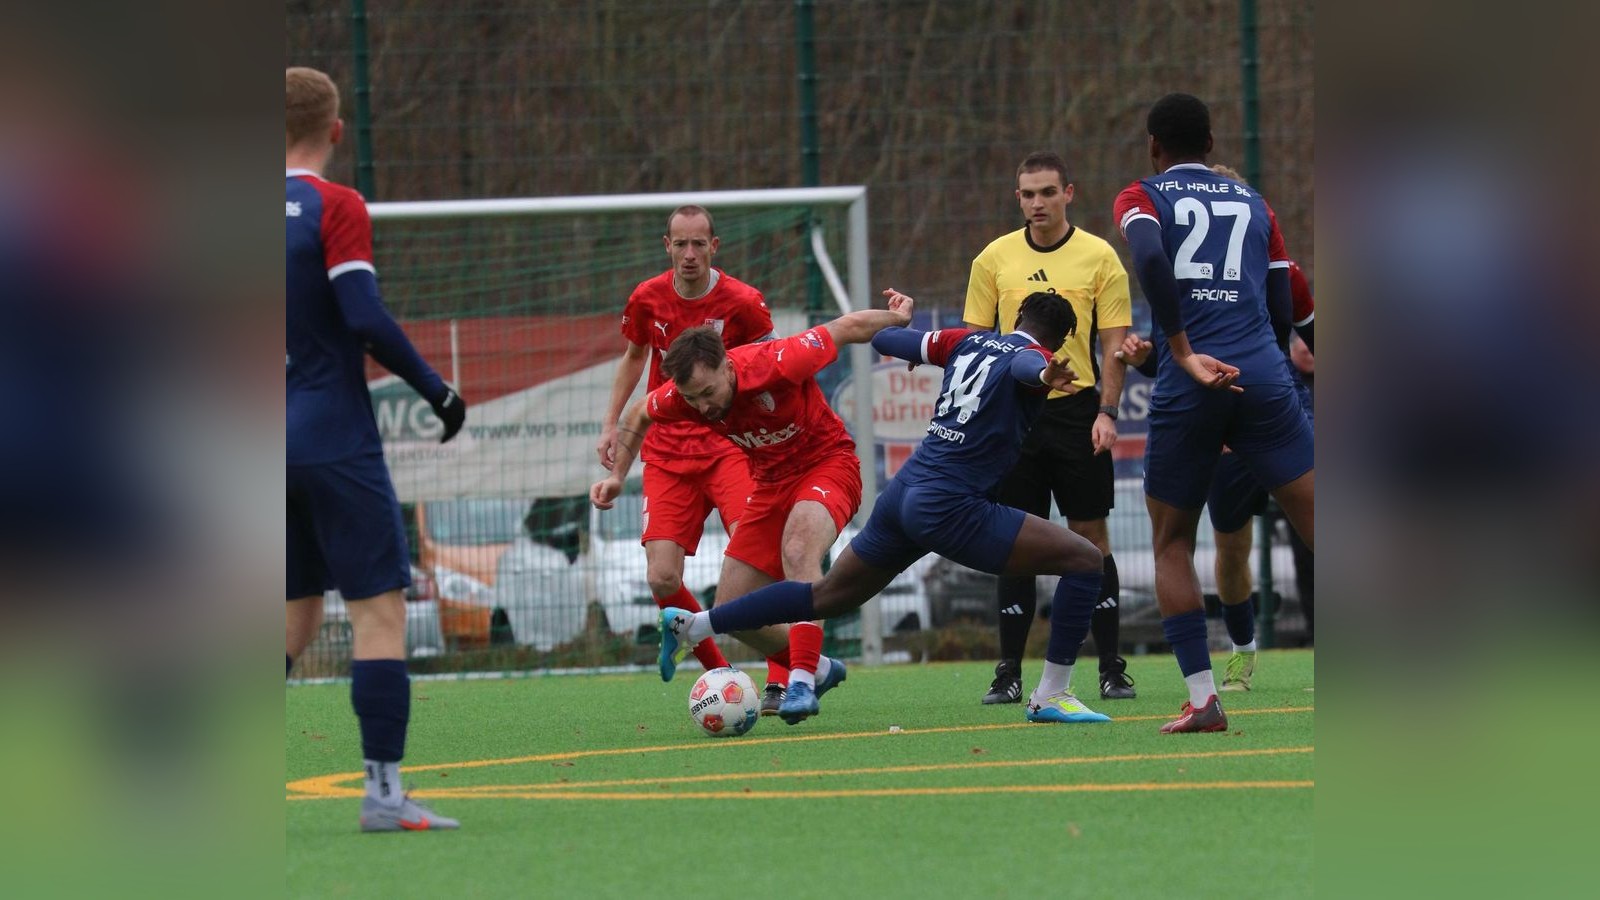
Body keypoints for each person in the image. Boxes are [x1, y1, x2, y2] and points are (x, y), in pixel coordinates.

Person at [659, 290, 1112, 725]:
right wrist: (1045, 376)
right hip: (949, 505)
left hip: (905, 492)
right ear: (1065, 340)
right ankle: (1052, 693)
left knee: (829, 594)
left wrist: (899, 321)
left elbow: (885, 339)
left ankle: (696, 624)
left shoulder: (966, 340)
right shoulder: (1030, 356)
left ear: (1015, 319)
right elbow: (1026, 366)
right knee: (1085, 560)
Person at [591, 294, 913, 724]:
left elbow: (848, 326)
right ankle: (819, 666)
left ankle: (800, 680)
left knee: (799, 550)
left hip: (828, 465)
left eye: (708, 392)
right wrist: (617, 475)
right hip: (770, 484)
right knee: (734, 609)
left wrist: (901, 321)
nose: (703, 406)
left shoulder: (778, 360)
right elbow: (638, 414)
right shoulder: (684, 398)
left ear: (727, 367)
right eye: (693, 397)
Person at [285, 67, 465, 830]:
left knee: (291, 616)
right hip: (331, 436)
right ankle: (385, 795)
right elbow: (363, 314)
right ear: (334, 131)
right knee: (379, 614)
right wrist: (437, 390)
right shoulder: (336, 204)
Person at [1111, 93, 1315, 733]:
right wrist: (1272, 369)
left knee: (1172, 541)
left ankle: (1204, 700)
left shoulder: (1140, 196)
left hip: (1192, 379)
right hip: (1262, 375)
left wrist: (1180, 349)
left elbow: (1148, 259)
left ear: (1153, 145)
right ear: (1211, 143)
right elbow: (1284, 300)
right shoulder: (1257, 204)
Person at [594, 205, 792, 714]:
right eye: (679, 244)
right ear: (667, 246)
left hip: (730, 447)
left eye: (698, 244)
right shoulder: (647, 298)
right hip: (666, 451)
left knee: (757, 565)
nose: (688, 254)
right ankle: (722, 678)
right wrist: (611, 425)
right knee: (661, 578)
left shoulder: (743, 303)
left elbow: (769, 367)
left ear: (714, 246)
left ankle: (782, 672)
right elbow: (635, 358)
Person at [963, 151, 1136, 706]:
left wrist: (1107, 412)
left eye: (1047, 192)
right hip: (1017, 413)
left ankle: (1111, 667)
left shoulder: (1100, 257)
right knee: (1016, 541)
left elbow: (1114, 346)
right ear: (1018, 198)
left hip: (1077, 414)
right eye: (1027, 194)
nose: (1037, 203)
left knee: (1091, 539)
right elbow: (975, 346)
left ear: (1069, 193)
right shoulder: (993, 259)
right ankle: (1008, 670)